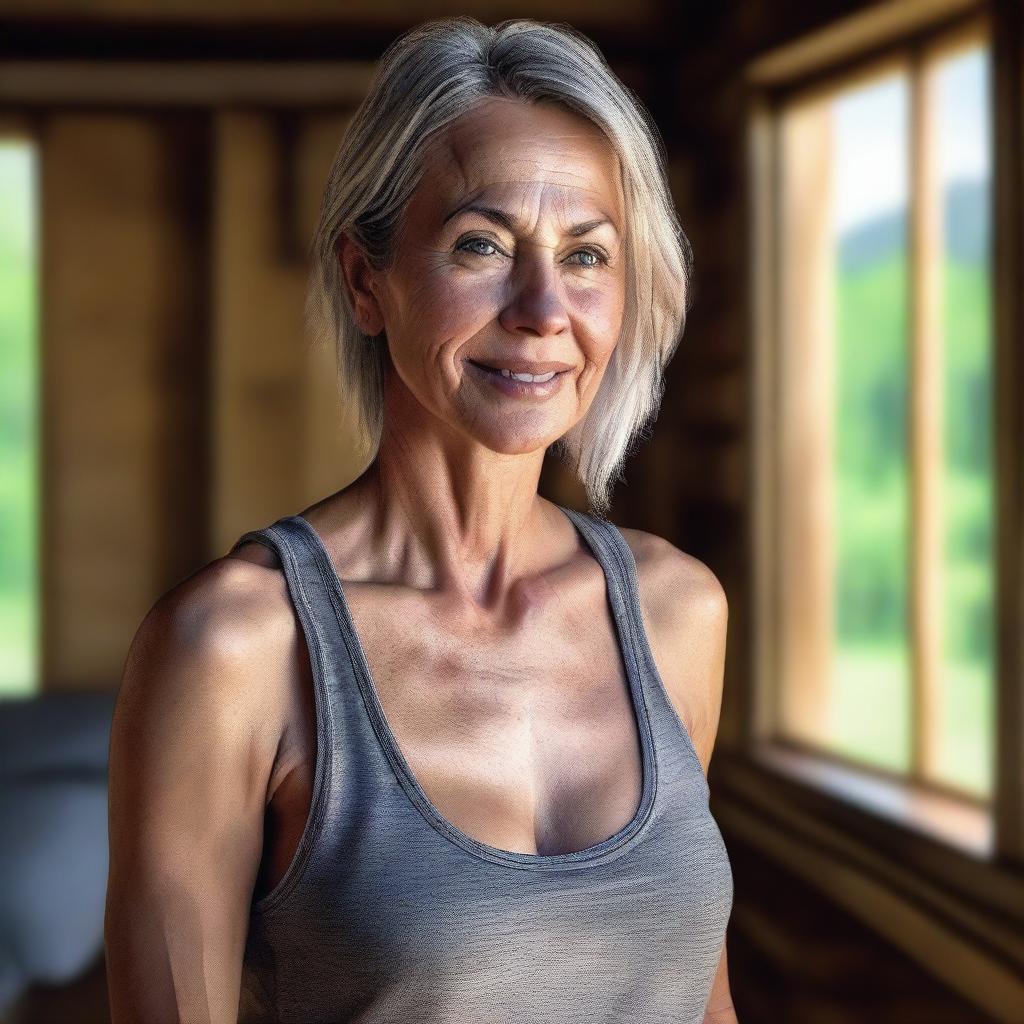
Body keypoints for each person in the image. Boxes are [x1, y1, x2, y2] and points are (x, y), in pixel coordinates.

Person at [104, 15, 737, 1024]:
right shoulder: (233, 645)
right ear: (367, 279)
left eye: (586, 256)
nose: (541, 309)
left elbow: (699, 1000)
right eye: (481, 244)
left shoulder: (675, 612)